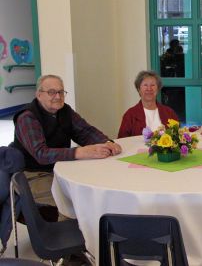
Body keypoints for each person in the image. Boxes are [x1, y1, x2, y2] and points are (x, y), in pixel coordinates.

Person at [11, 74, 122, 206]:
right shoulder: (27, 117)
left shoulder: (65, 110)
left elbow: (85, 131)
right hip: (34, 174)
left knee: (97, 190)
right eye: (51, 92)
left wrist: (107, 142)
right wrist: (80, 152)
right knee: (71, 203)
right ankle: (69, 225)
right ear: (39, 95)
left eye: (60, 92)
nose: (58, 97)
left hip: (62, 168)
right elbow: (41, 154)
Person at [118, 70, 179, 137]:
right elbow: (122, 141)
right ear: (139, 89)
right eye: (145, 85)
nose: (149, 89)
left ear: (158, 89)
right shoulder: (130, 115)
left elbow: (177, 137)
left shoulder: (169, 113)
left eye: (152, 85)